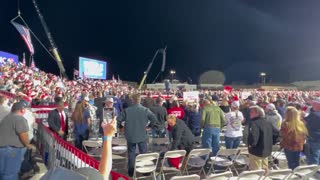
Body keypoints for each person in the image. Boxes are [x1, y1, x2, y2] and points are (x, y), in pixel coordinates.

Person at [117, 93, 159, 177]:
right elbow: (154, 119)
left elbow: (118, 120)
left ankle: (131, 172)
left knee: (131, 154)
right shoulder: (145, 110)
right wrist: (149, 126)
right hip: (142, 135)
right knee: (143, 153)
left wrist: (121, 126)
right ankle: (146, 171)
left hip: (130, 135)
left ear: (132, 100)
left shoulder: (127, 110)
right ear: (140, 100)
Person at [0, 101, 32, 180]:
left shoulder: (7, 117)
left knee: (3, 172)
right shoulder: (19, 119)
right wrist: (28, 144)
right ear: (22, 110)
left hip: (3, 149)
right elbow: (23, 134)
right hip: (11, 150)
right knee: (10, 173)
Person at [247, 105, 273, 174]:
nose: (250, 113)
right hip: (266, 151)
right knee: (265, 172)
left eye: (252, 112)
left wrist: (251, 145)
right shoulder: (268, 122)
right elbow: (276, 134)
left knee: (256, 172)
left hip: (256, 152)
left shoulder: (254, 123)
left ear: (257, 113)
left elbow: (254, 137)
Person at [305, 97, 320, 165]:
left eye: (314, 104)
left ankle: (313, 173)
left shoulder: (314, 115)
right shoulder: (314, 113)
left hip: (314, 139)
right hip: (316, 138)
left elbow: (304, 122)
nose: (312, 105)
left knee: (313, 158)